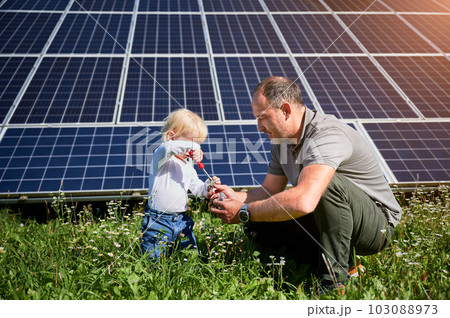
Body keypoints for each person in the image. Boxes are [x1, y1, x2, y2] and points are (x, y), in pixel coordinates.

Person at [210, 76, 402, 293]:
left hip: (376, 227)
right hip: (333, 217)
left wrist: (245, 211)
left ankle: (333, 285)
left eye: (263, 118)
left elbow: (304, 201)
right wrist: (234, 198)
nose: (258, 127)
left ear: (285, 110)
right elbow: (268, 191)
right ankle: (335, 262)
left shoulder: (326, 135)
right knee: (260, 220)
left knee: (325, 186)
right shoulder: (282, 142)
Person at [141, 108, 219, 261]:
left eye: (198, 145)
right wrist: (192, 147)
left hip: (181, 220)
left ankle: (189, 275)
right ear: (171, 136)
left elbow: (196, 187)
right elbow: (167, 147)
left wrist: (208, 187)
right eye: (190, 144)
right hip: (158, 220)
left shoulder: (187, 165)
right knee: (153, 258)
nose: (194, 150)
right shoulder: (162, 158)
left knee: (189, 256)